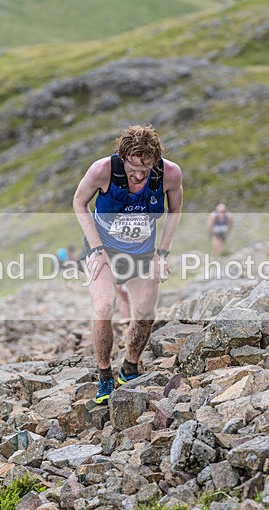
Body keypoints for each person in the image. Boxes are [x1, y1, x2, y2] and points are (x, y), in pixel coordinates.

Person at [73, 124, 183, 404]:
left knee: (145, 311)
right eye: (132, 167)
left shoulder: (169, 174)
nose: (137, 175)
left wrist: (163, 253)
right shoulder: (102, 170)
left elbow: (175, 210)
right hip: (104, 251)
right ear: (121, 157)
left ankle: (130, 367)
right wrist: (96, 248)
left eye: (144, 170)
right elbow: (79, 202)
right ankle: (104, 374)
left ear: (155, 160)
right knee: (104, 306)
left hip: (142, 253)